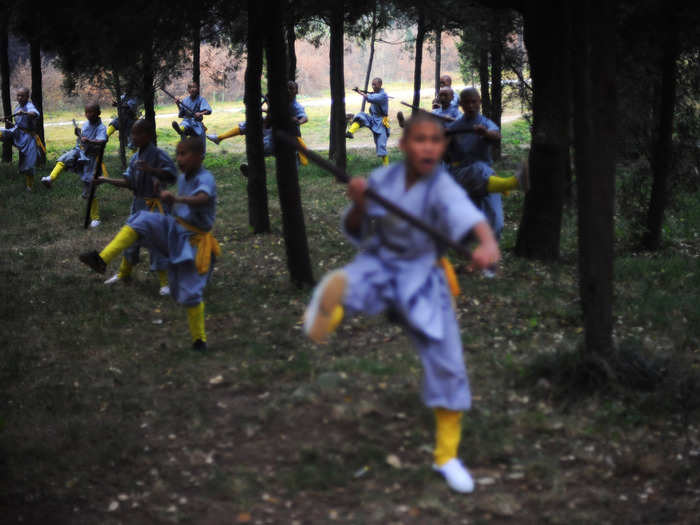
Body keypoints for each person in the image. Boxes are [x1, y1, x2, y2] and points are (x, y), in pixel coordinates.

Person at [303, 112, 501, 493]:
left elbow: (472, 219)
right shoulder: (384, 180)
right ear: (403, 144)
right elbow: (357, 228)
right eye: (419, 139)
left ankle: (447, 455)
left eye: (435, 140)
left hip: (426, 275)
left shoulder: (441, 186)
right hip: (381, 263)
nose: (428, 146)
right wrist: (360, 204)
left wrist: (488, 243)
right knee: (351, 286)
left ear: (442, 146)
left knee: (447, 361)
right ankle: (327, 310)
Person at [79, 137, 220, 352]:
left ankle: (198, 339)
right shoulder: (183, 178)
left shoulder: (205, 178)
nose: (180, 158)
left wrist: (176, 199)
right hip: (175, 229)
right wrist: (162, 196)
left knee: (189, 294)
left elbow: (202, 198)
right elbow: (178, 208)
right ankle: (101, 260)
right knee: (141, 219)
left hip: (195, 241)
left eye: (185, 154)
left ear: (200, 156)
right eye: (178, 154)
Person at [94, 119, 178, 295]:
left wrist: (152, 170)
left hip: (157, 207)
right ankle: (124, 274)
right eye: (132, 133)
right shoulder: (135, 158)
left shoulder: (158, 155)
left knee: (156, 242)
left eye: (137, 133)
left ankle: (165, 282)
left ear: (147, 135)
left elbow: (172, 175)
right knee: (130, 240)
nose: (133, 136)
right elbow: (129, 182)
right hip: (138, 205)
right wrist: (105, 180)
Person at [446, 88, 527, 242]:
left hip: (485, 177)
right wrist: (444, 137)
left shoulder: (485, 123)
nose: (470, 106)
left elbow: (496, 135)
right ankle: (510, 183)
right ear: (461, 104)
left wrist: (485, 133)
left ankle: (488, 260)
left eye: (474, 102)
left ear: (479, 102)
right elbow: (444, 154)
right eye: (467, 102)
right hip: (462, 176)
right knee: (479, 169)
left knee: (496, 223)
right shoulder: (455, 127)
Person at [207, 82, 310, 171]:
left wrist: (298, 122)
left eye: (291, 88)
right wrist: (262, 111)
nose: (288, 91)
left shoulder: (296, 106)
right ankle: (220, 139)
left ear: (296, 91)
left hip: (288, 138)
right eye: (287, 88)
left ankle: (295, 163)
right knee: (253, 134)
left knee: (289, 162)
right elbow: (272, 113)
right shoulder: (279, 103)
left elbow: (304, 117)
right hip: (273, 134)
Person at [41, 103, 108, 228]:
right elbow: (82, 138)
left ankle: (96, 218)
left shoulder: (101, 128)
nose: (88, 115)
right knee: (65, 158)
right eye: (86, 112)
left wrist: (89, 140)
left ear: (98, 113)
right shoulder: (86, 124)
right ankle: (51, 178)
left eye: (91, 112)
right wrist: (79, 134)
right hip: (80, 151)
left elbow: (102, 141)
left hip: (91, 159)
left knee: (90, 187)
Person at [0, 87, 42, 191]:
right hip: (17, 133)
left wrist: (25, 113)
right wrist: (6, 120)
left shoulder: (29, 106)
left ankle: (29, 186)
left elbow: (35, 114)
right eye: (18, 95)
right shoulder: (18, 106)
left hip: (28, 138)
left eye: (22, 96)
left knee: (29, 164)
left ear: (27, 97)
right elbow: (19, 123)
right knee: (3, 133)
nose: (19, 98)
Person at [346, 77, 391, 166]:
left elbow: (371, 98)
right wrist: (367, 94)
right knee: (361, 116)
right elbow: (371, 97)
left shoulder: (382, 95)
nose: (373, 86)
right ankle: (350, 132)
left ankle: (386, 167)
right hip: (373, 119)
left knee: (381, 144)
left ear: (380, 84)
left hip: (381, 122)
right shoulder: (375, 94)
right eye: (372, 84)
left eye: (375, 84)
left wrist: (360, 92)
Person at [171, 82, 212, 153]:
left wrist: (200, 113)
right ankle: (180, 130)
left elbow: (208, 111)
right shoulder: (185, 100)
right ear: (188, 90)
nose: (192, 89)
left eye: (194, 87)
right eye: (190, 87)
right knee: (184, 127)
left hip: (197, 123)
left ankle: (200, 154)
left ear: (197, 89)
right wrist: (178, 104)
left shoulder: (201, 99)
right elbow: (182, 113)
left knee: (200, 143)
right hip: (187, 121)